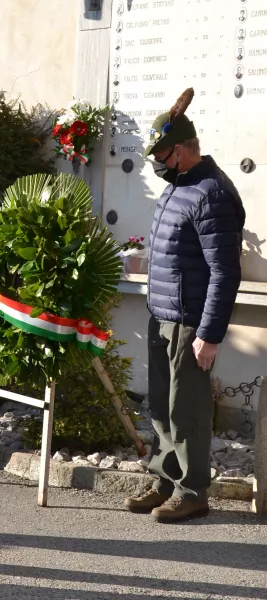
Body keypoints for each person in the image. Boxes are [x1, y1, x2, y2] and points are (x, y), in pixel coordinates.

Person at [125, 89, 245, 523]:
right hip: (162, 315)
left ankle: (193, 491)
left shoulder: (211, 193)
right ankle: (165, 480)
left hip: (191, 323)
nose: (155, 162)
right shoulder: (179, 186)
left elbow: (224, 272)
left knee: (187, 409)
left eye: (160, 154)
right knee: (160, 406)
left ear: (182, 150)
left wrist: (209, 335)